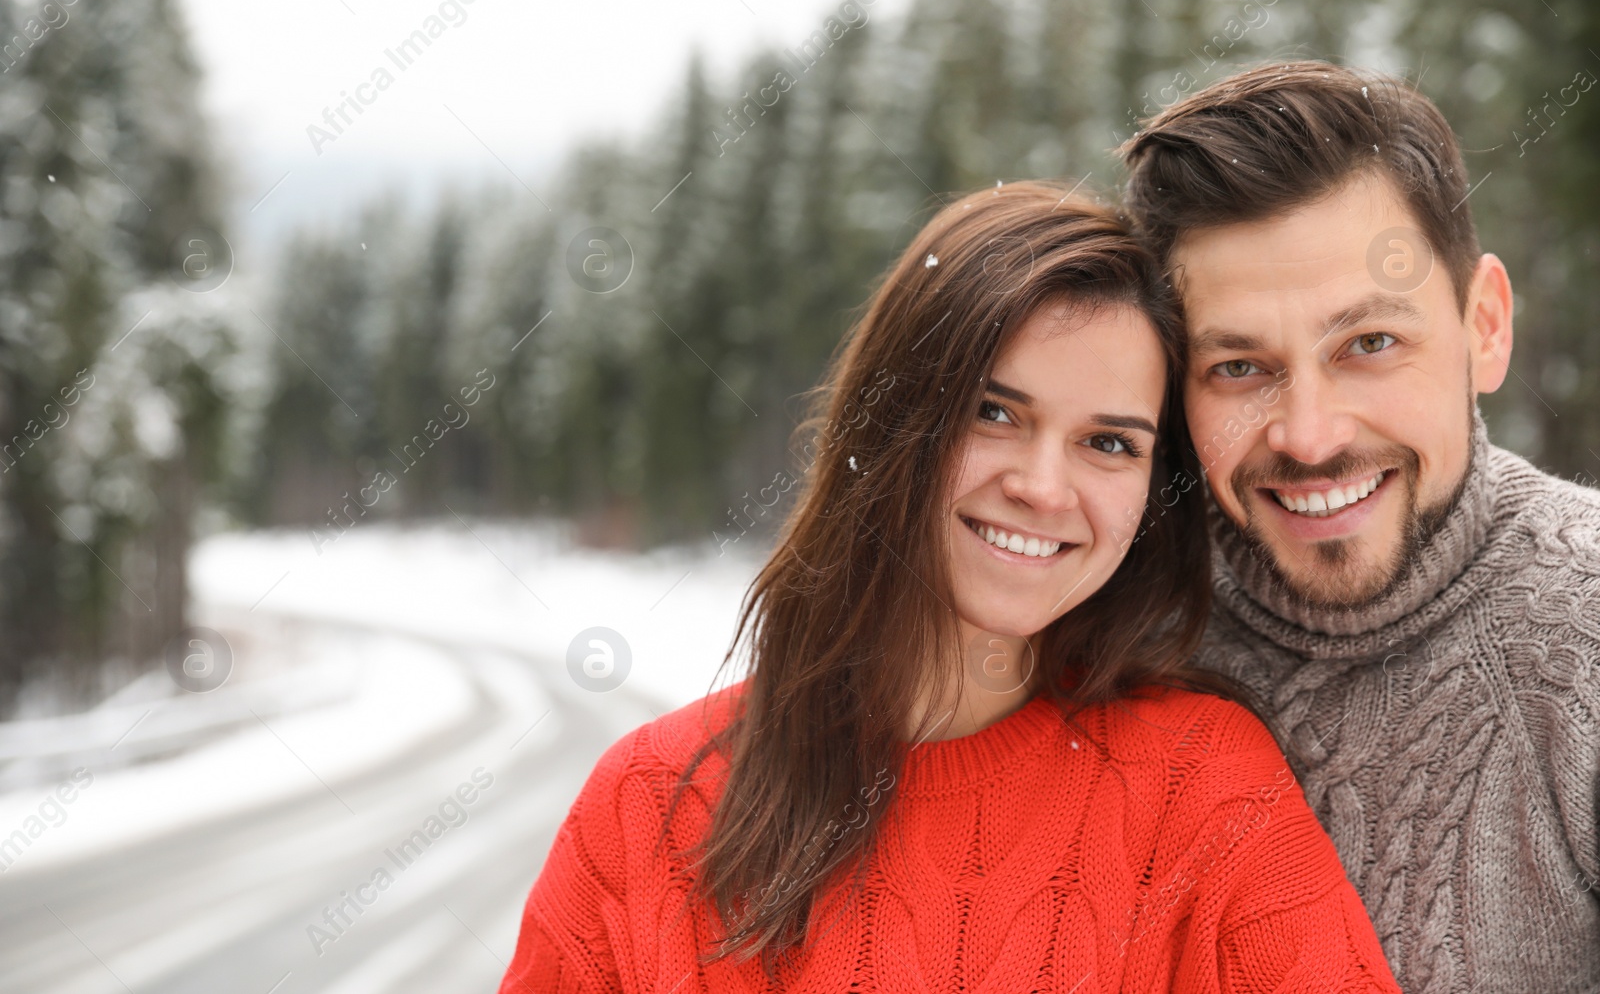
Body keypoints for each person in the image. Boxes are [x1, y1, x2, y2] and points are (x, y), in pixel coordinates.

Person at [497, 181, 1400, 992]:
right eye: (995, 412)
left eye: (1109, 442)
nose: (1044, 487)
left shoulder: (1203, 791)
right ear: (895, 417)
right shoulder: (647, 806)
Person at [1120, 59, 1600, 991]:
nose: (1309, 436)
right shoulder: (1110, 631)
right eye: (1239, 368)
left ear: (1485, 327)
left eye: (1369, 344)